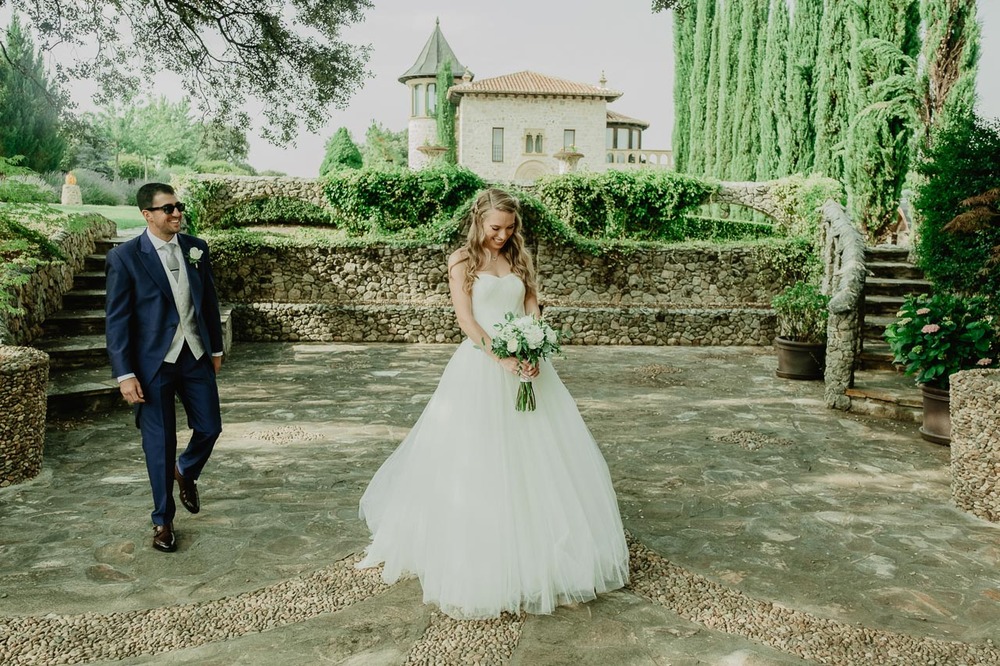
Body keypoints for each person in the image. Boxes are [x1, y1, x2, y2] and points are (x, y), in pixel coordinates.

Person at [357, 188, 629, 619]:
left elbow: (530, 302)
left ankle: (545, 545)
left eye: (509, 227)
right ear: (478, 222)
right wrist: (501, 356)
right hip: (482, 367)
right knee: (481, 458)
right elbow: (466, 320)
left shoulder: (520, 259)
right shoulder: (461, 262)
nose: (502, 235)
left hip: (527, 365)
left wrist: (533, 346)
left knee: (541, 455)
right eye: (495, 228)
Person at [105, 183, 225, 553]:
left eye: (178, 206)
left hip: (195, 355)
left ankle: (185, 470)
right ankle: (163, 521)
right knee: (159, 445)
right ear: (147, 215)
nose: (176, 213)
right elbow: (117, 320)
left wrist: (216, 348)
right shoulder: (125, 257)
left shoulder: (196, 249)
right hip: (151, 366)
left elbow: (207, 302)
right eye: (167, 208)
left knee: (210, 427)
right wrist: (125, 374)